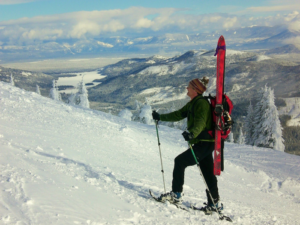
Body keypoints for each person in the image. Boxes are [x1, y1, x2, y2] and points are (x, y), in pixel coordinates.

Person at [152, 77, 220, 213]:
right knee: (207, 172)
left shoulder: (201, 104)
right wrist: (161, 117)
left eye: (189, 87)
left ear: (195, 90)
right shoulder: (193, 103)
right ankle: (214, 204)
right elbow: (178, 114)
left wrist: (192, 134)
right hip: (205, 143)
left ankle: (176, 195)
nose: (187, 89)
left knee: (180, 161)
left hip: (204, 143)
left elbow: (200, 122)